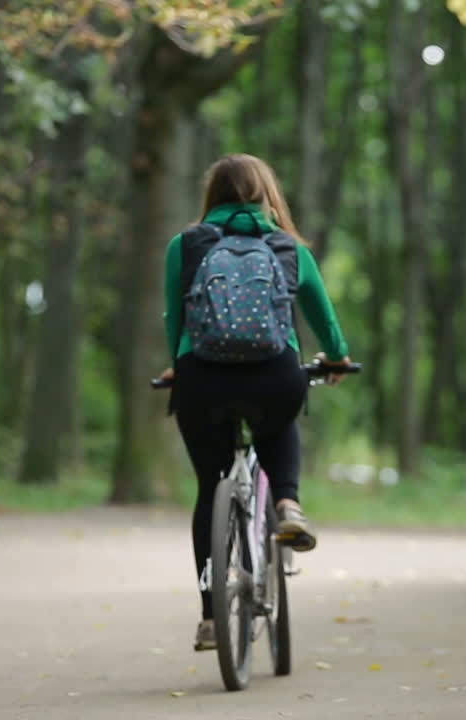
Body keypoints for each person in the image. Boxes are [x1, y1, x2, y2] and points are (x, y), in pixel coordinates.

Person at [159, 153, 353, 650]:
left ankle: (209, 617)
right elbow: (324, 320)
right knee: (279, 422)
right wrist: (336, 358)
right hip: (274, 374)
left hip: (202, 379)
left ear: (212, 198)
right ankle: (287, 502)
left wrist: (178, 363)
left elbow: (174, 320)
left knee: (209, 490)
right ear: (267, 195)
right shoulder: (287, 247)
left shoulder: (185, 245)